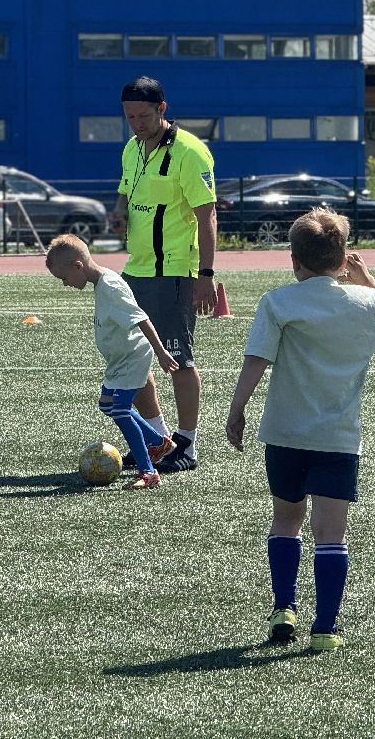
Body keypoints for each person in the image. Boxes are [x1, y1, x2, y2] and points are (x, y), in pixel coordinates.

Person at [225, 208, 375, 651]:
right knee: (332, 532)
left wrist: (237, 408)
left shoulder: (279, 302)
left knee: (287, 519)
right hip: (338, 438)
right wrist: (368, 279)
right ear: (343, 259)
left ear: (294, 259)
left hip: (285, 433)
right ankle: (325, 628)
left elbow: (257, 360)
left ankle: (283, 607)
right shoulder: (364, 304)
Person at [108, 76, 217, 473]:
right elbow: (126, 189)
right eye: (129, 116)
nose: (136, 123)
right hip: (135, 271)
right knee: (133, 359)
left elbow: (207, 215)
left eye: (142, 115)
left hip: (174, 272)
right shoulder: (132, 148)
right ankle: (158, 438)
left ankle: (187, 444)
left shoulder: (190, 152)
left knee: (178, 360)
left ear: (162, 110)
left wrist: (205, 274)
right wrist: (118, 211)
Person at [45, 233, 181, 489]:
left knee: (119, 410)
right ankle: (159, 442)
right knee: (108, 405)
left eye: (64, 278)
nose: (65, 284)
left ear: (78, 266)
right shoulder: (100, 283)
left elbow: (141, 318)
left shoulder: (111, 287)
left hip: (132, 357)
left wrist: (161, 353)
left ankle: (148, 472)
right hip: (119, 361)